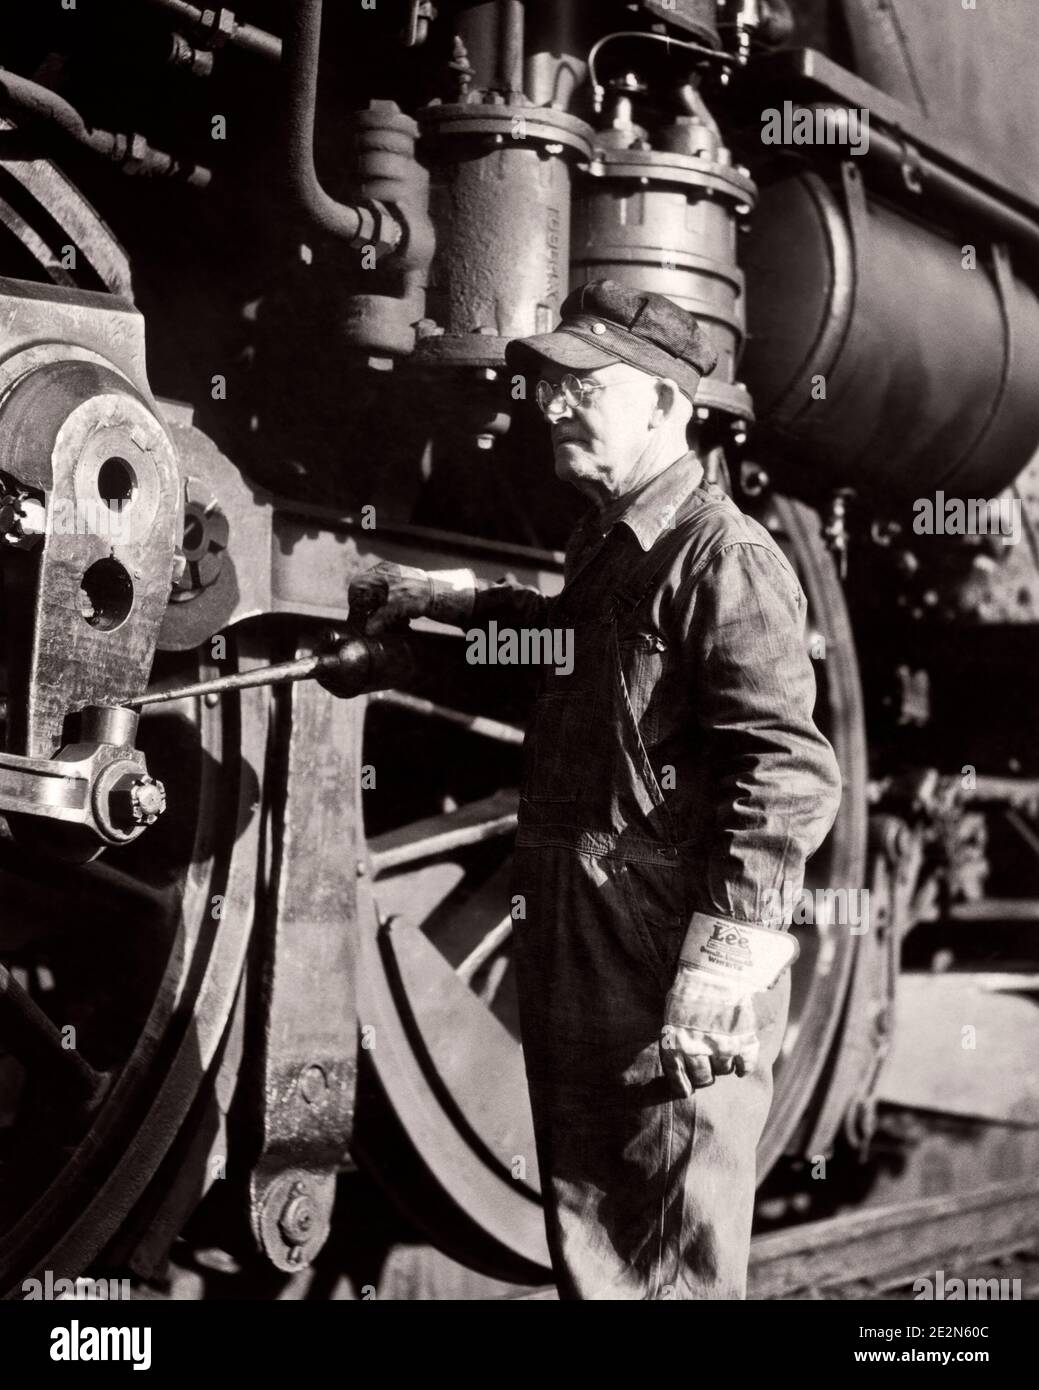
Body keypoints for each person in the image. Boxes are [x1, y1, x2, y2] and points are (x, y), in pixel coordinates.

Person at [347, 279, 843, 1299]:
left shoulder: (723, 557)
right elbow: (560, 667)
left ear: (667, 404)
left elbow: (788, 771)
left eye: (584, 385)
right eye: (548, 384)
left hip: (661, 964)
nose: (553, 406)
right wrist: (436, 622)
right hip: (587, 951)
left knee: (663, 1261)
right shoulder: (611, 548)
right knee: (601, 1252)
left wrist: (720, 965)